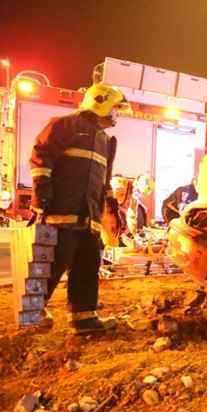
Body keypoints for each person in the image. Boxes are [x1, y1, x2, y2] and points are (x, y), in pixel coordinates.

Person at [29, 83, 127, 334]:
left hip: (89, 217)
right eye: (115, 107)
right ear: (101, 102)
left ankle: (84, 319)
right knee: (53, 262)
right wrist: (42, 199)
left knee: (88, 265)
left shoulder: (106, 140)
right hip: (60, 212)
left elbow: (103, 181)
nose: (117, 113)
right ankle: (31, 314)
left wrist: (110, 209)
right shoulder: (64, 125)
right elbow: (41, 160)